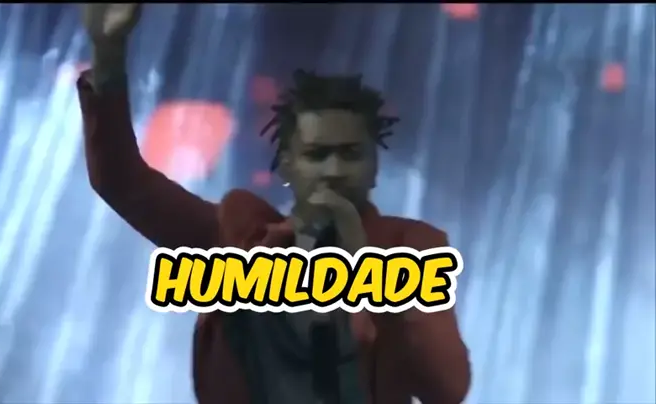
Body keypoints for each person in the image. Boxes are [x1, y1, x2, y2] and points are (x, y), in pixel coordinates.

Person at [78, 4, 471, 404]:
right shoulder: (240, 235)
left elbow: (447, 389)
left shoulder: (409, 249)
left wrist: (363, 267)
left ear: (373, 167)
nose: (334, 170)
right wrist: (108, 54)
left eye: (350, 154)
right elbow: (123, 181)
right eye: (317, 155)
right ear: (287, 164)